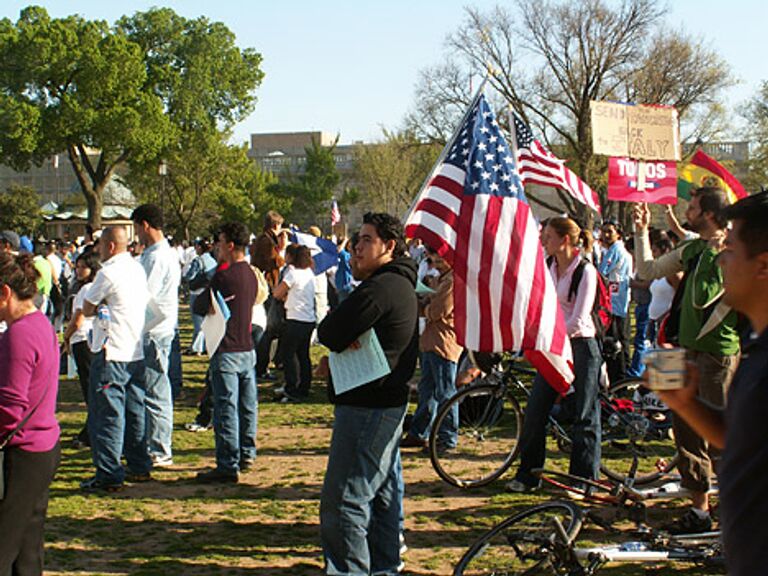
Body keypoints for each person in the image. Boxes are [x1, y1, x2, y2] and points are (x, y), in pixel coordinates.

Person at [653, 191, 768, 575]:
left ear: (763, 266)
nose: (721, 260)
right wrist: (684, 403)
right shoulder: (757, 348)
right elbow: (739, 436)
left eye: (730, 250)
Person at [633, 187, 740, 533]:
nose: (685, 211)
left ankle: (734, 514)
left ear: (708, 214)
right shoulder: (693, 248)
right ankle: (699, 511)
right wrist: (640, 230)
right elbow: (647, 270)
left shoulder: (731, 250)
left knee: (717, 435)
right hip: (680, 347)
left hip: (719, 352)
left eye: (692, 207)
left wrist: (718, 252)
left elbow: (712, 298)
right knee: (684, 432)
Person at [317, 212, 418, 575]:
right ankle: (383, 566)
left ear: (389, 246)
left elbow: (330, 331)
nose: (357, 249)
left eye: (366, 240)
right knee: (383, 495)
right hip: (382, 402)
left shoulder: (382, 288)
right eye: (357, 240)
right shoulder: (396, 284)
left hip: (368, 407)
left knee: (345, 499)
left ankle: (350, 570)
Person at [506, 217, 602, 493]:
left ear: (565, 240)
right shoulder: (548, 266)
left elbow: (579, 317)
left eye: (548, 237)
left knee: (585, 414)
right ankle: (529, 474)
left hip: (580, 345)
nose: (543, 241)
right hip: (552, 346)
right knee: (535, 410)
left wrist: (548, 336)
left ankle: (583, 480)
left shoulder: (585, 272)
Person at [0, 253, 60, 575]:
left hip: (23, 454)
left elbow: (10, 410)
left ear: (6, 293)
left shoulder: (18, 334)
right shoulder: (39, 323)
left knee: (5, 549)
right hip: (42, 449)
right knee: (27, 554)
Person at [80, 226, 151, 491]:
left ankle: (109, 474)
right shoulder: (136, 268)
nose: (96, 249)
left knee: (107, 414)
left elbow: (87, 306)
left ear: (110, 246)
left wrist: (100, 305)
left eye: (99, 245)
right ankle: (139, 464)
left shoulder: (107, 273)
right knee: (135, 411)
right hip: (135, 349)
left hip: (112, 351)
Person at [193, 222, 258, 483]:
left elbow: (200, 304)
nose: (217, 247)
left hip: (226, 348)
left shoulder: (223, 277)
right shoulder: (251, 274)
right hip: (246, 346)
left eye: (220, 242)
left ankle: (227, 463)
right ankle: (246, 452)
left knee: (226, 407)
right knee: (247, 405)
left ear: (230, 245)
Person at [132, 204, 181, 468]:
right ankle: (157, 445)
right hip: (164, 327)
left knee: (155, 391)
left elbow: (143, 294)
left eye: (137, 227)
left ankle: (160, 448)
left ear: (145, 225)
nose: (137, 234)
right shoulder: (168, 253)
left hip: (153, 330)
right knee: (157, 388)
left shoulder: (154, 257)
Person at [401, 246, 461, 451]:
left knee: (446, 392)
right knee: (428, 391)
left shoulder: (452, 281)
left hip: (444, 343)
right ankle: (420, 432)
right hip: (430, 341)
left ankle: (447, 438)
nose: (434, 259)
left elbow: (438, 311)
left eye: (438, 255)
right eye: (433, 255)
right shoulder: (440, 279)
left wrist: (421, 306)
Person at [62, 250, 101, 448]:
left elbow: (77, 319)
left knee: (89, 389)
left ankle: (91, 432)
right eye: (76, 267)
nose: (78, 270)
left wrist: (65, 337)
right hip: (90, 339)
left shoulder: (86, 289)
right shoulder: (93, 287)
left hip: (83, 339)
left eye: (82, 267)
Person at [273, 244, 316, 402]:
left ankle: (292, 387)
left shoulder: (293, 273)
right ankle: (304, 387)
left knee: (289, 355)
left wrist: (282, 293)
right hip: (308, 319)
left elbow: (277, 293)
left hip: (295, 318)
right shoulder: (310, 273)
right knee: (303, 355)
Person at [253, 210, 288, 379]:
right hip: (266, 286)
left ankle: (263, 364)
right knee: (266, 330)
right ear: (275, 225)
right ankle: (261, 366)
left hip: (268, 285)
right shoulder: (266, 241)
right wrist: (282, 250)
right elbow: (275, 261)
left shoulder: (265, 240)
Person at [598, 220, 632, 383]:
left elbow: (601, 273)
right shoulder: (614, 250)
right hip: (618, 303)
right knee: (621, 342)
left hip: (615, 304)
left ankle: (620, 379)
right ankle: (622, 378)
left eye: (609, 232)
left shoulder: (616, 251)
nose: (605, 235)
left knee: (615, 344)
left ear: (618, 233)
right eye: (603, 231)